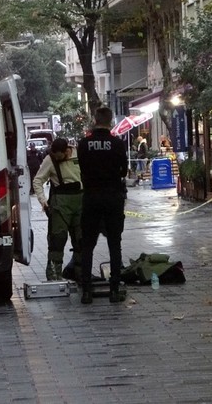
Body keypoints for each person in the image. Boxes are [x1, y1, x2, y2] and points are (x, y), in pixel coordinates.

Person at [77, 107, 128, 304]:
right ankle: (115, 289)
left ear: (95, 120)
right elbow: (123, 171)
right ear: (111, 120)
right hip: (112, 197)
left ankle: (87, 291)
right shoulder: (117, 143)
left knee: (87, 245)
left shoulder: (84, 144)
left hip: (90, 197)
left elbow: (82, 168)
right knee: (115, 244)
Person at [33, 138, 84, 281]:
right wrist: (43, 202)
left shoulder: (78, 154)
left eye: (59, 156)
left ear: (67, 151)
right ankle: (54, 276)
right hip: (60, 204)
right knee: (57, 240)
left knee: (81, 240)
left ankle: (81, 274)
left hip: (80, 200)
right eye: (54, 155)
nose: (57, 158)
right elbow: (37, 180)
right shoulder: (50, 159)